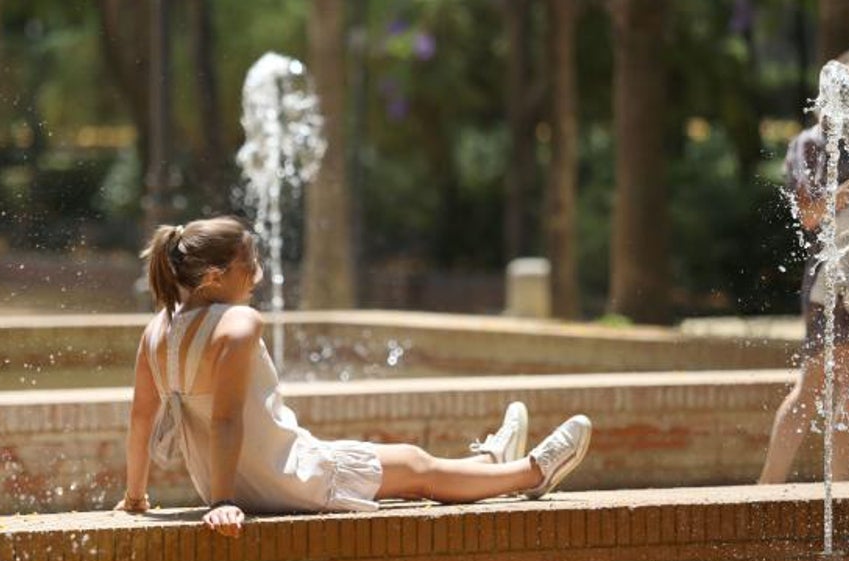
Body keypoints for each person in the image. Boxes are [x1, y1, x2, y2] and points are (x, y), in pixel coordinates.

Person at [115, 216, 593, 537]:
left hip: (242, 480)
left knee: (412, 465)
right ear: (215, 277)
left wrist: (136, 497)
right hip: (284, 477)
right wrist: (220, 502)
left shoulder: (157, 331)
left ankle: (491, 461)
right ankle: (531, 473)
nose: (258, 274)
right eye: (249, 265)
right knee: (416, 470)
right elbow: (223, 421)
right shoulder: (239, 323)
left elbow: (141, 419)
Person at [759, 47, 849, 484]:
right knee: (811, 392)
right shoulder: (811, 145)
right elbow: (809, 214)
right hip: (830, 281)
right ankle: (765, 490)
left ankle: (842, 501)